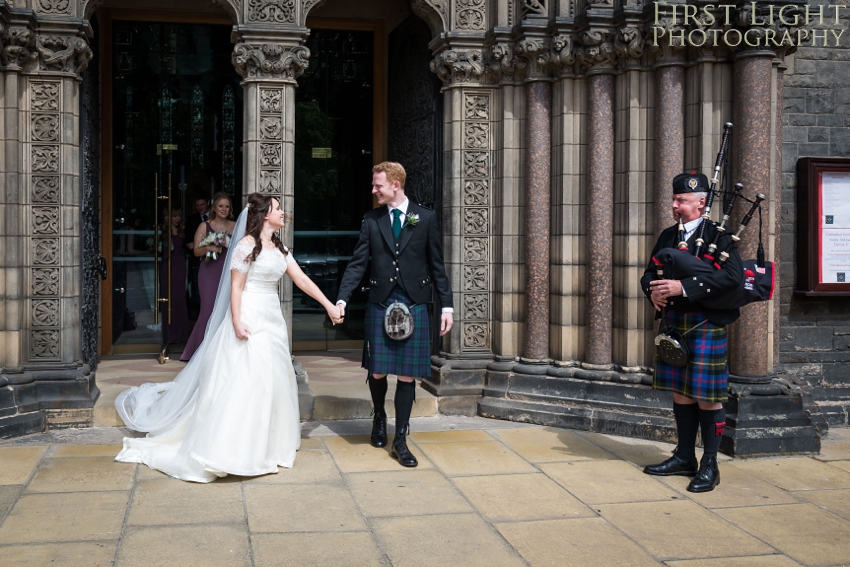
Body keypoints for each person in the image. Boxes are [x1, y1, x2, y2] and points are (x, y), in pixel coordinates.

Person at [115, 193, 343, 482]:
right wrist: (236, 321)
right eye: (277, 208)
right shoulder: (246, 246)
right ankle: (234, 449)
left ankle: (266, 446)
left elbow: (302, 279)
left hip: (272, 320)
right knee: (247, 380)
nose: (283, 212)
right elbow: (236, 288)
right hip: (249, 317)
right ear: (264, 215)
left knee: (272, 379)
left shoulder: (280, 249)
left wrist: (328, 304)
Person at [336, 162, 453, 468]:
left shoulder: (424, 218)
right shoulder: (372, 219)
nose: (374, 191)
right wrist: (342, 298)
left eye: (378, 186)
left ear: (396, 185)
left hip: (415, 301)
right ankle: (379, 416)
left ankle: (400, 438)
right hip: (380, 301)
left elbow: (437, 265)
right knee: (377, 370)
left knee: (406, 373)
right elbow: (358, 262)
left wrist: (447, 307)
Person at [640, 172, 743, 493]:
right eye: (674, 200)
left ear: (701, 203)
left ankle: (710, 465)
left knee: (709, 398)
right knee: (681, 393)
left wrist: (682, 287)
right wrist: (653, 292)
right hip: (674, 325)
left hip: (706, 324)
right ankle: (685, 456)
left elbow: (732, 277)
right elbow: (649, 274)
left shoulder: (720, 236)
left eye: (681, 201)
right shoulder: (669, 236)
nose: (675, 206)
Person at [181, 192, 236, 361]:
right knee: (208, 310)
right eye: (221, 206)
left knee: (228, 309)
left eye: (227, 206)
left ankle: (223, 352)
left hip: (229, 272)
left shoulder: (235, 226)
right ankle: (198, 351)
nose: (224, 209)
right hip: (209, 272)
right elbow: (196, 250)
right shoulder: (205, 226)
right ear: (214, 208)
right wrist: (209, 248)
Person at [159, 206, 191, 345]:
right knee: (168, 298)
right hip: (167, 264)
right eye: (174, 216)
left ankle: (181, 335)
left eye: (179, 216)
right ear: (168, 217)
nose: (177, 218)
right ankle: (169, 335)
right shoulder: (163, 231)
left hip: (179, 264)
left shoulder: (182, 230)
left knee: (179, 298)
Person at [185, 195, 211, 316]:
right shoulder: (191, 220)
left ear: (208, 203)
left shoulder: (216, 217)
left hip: (214, 260)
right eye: (197, 205)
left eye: (202, 204)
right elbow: (189, 242)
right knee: (197, 289)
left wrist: (199, 244)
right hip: (196, 260)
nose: (199, 207)